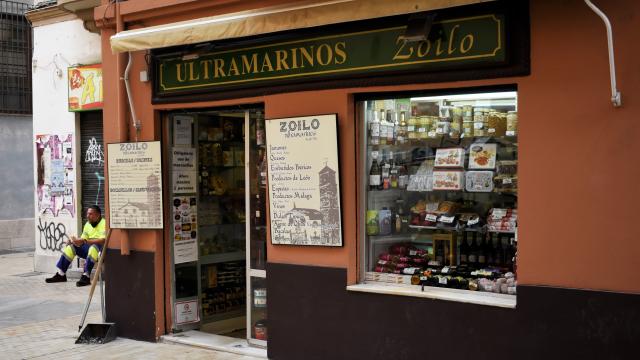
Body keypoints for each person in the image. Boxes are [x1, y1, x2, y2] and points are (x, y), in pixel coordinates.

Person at [45, 205, 106, 287]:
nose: (88, 216)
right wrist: (74, 241)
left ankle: (86, 276)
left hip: (101, 250)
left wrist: (85, 241)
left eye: (91, 214)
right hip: (89, 247)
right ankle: (61, 274)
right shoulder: (87, 224)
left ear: (98, 215)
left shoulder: (104, 223)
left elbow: (103, 240)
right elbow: (83, 239)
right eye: (87, 214)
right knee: (71, 247)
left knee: (93, 248)